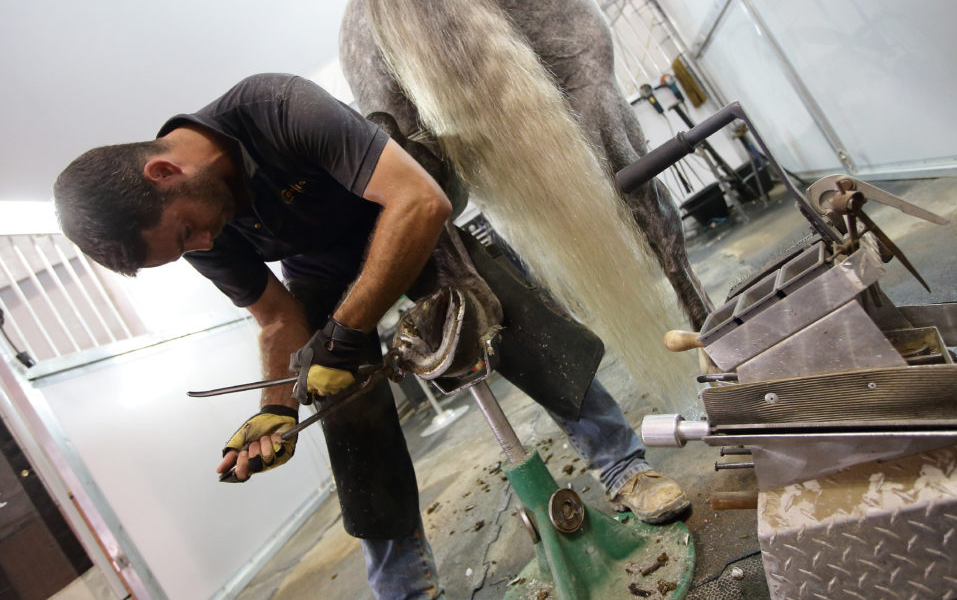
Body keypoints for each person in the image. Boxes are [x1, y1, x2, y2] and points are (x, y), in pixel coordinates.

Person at [53, 73, 691, 599]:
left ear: (165, 171)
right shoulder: (190, 226)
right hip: (320, 266)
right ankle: (405, 586)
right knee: (338, 402)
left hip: (397, 213)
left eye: (189, 232)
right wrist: (275, 410)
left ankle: (622, 464)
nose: (204, 244)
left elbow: (420, 200)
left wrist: (346, 332)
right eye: (186, 247)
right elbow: (277, 319)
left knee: (500, 307)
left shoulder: (275, 108)